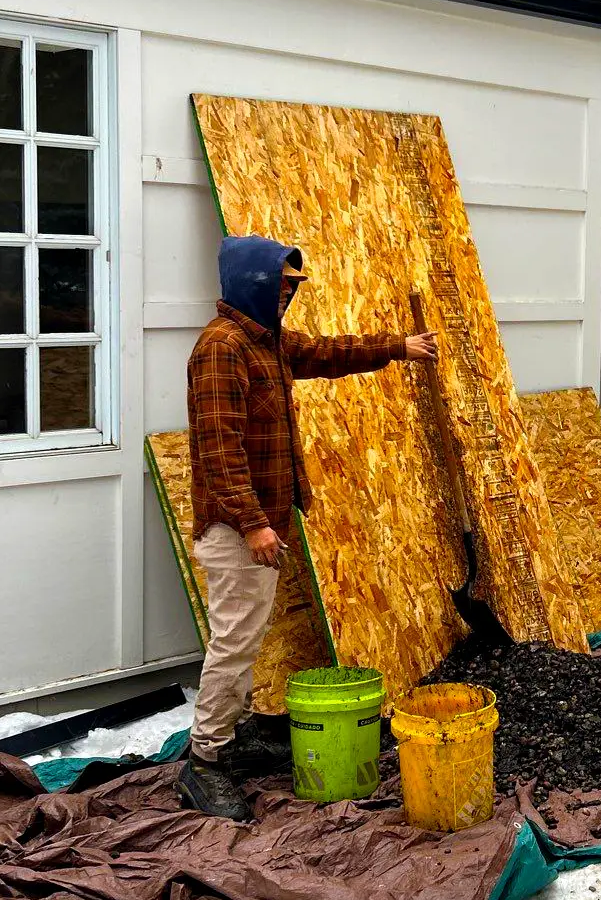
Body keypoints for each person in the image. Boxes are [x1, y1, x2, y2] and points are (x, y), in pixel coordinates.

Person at [180, 236, 438, 821]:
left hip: (256, 522)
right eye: (283, 284)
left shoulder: (265, 343)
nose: (291, 294)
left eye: (294, 286)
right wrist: (253, 525)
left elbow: (327, 352)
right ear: (252, 282)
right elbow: (218, 453)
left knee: (244, 634)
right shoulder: (222, 350)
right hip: (235, 527)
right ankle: (204, 761)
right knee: (234, 641)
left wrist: (397, 346)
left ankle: (235, 734)